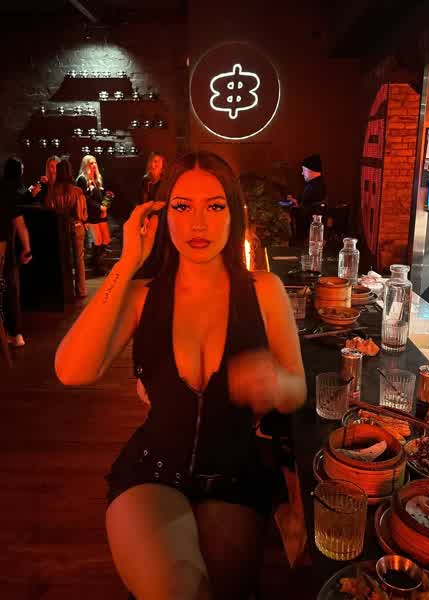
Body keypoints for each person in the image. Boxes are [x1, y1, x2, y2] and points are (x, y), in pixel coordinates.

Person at [55, 151, 306, 600]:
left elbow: (297, 388)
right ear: (161, 214)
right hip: (151, 473)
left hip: (235, 480)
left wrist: (275, 383)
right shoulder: (142, 296)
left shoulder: (265, 291)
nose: (198, 223)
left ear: (233, 213)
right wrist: (126, 263)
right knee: (178, 590)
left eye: (214, 206)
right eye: (183, 206)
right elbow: (71, 371)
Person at [0, 157, 32, 347]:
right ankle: (15, 333)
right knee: (11, 289)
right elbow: (19, 222)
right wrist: (27, 248)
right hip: (6, 246)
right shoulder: (11, 192)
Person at [46, 159, 88, 298]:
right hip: (76, 226)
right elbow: (83, 215)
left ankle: (66, 291)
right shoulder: (77, 191)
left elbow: (48, 208)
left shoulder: (52, 190)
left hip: (60, 227)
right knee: (79, 260)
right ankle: (81, 291)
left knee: (64, 260)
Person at [76, 155, 111, 276]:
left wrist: (105, 206)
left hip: (100, 213)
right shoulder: (82, 179)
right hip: (91, 214)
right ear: (85, 165)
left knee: (106, 239)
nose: (94, 165)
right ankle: (98, 267)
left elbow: (105, 194)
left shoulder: (98, 178)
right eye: (91, 163)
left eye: (95, 162)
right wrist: (99, 207)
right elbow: (84, 199)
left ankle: (95, 262)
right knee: (98, 240)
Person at [288, 154, 327, 243]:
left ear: (311, 170)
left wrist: (296, 209)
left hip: (310, 234)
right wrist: (297, 203)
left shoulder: (313, 187)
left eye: (304, 170)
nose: (302, 173)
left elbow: (309, 210)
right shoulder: (316, 185)